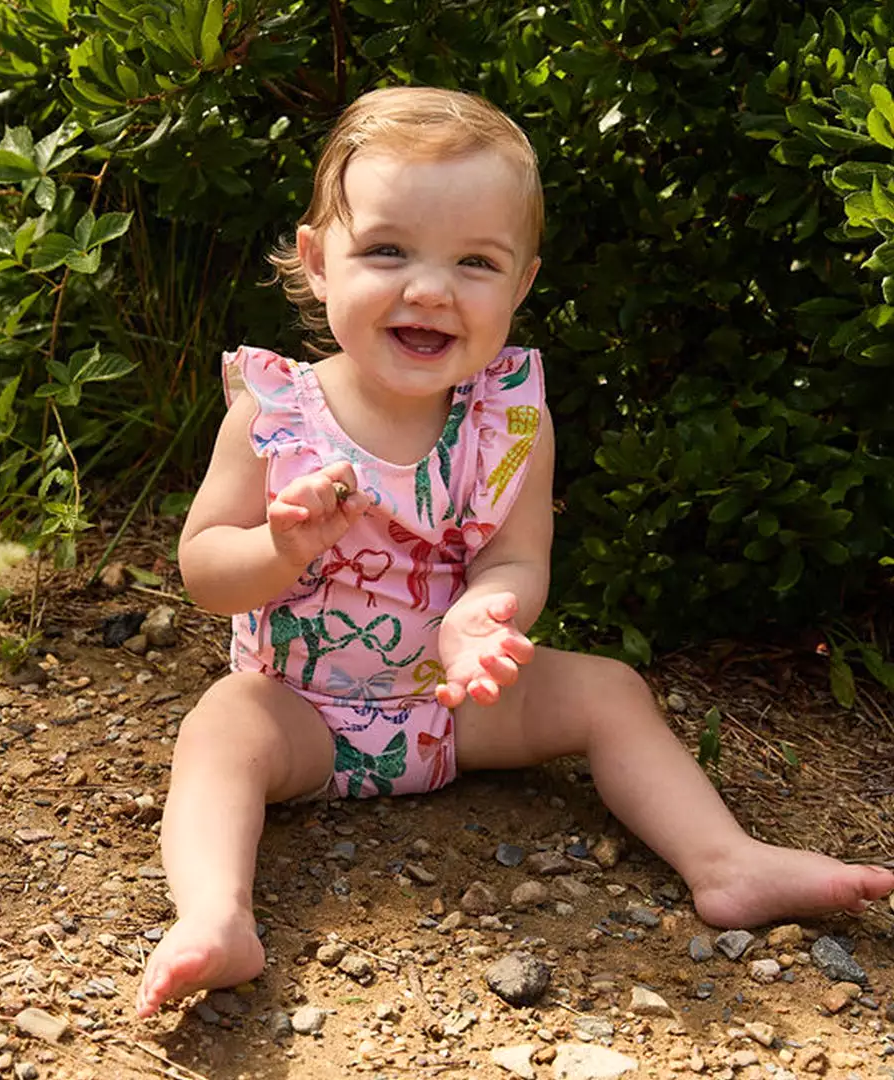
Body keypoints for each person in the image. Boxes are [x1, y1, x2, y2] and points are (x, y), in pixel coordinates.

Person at [135, 86, 894, 1018]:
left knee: (610, 689)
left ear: (521, 284)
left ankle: (724, 861)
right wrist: (279, 545)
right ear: (316, 261)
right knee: (221, 726)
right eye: (387, 250)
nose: (429, 287)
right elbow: (205, 567)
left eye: (475, 262)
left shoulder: (509, 421)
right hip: (303, 715)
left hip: (450, 709)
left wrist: (481, 620)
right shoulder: (278, 412)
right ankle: (217, 916)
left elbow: (516, 558)